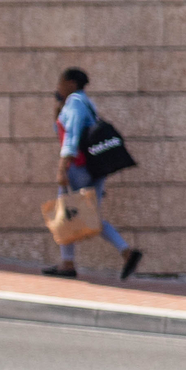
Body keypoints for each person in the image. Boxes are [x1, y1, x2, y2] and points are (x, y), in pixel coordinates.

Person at [45, 67, 142, 280]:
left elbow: (72, 136)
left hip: (78, 166)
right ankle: (126, 252)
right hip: (94, 167)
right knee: (89, 214)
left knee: (67, 211)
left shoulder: (75, 103)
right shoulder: (85, 102)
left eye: (61, 82)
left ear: (71, 83)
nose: (58, 87)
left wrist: (62, 167)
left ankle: (68, 263)